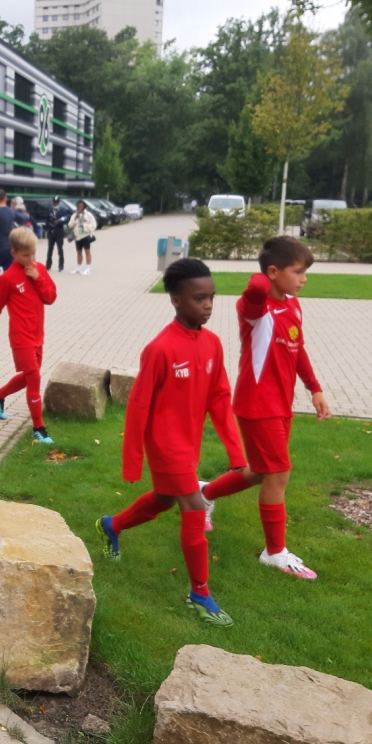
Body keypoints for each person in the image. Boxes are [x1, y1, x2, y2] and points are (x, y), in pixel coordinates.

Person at [95, 258, 245, 627]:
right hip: (165, 445)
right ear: (176, 299)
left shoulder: (212, 344)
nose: (208, 305)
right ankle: (200, 593)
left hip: (189, 443)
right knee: (193, 505)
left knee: (164, 499)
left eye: (211, 297)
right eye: (199, 298)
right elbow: (138, 405)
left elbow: (220, 397)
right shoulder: (160, 349)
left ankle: (112, 525)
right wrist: (133, 460)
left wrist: (235, 450)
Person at [199, 237, 331, 579]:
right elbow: (256, 289)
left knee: (260, 470)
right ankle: (274, 553)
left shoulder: (293, 304)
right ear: (274, 272)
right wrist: (265, 272)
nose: (304, 279)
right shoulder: (254, 310)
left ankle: (204, 494)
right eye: (298, 271)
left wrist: (314, 388)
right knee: (278, 473)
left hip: (281, 403)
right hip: (258, 403)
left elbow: (298, 349)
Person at [0, 225, 57, 445]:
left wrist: (38, 278)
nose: (31, 259)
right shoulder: (7, 279)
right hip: (21, 338)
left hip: (38, 335)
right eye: (25, 255)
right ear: (13, 253)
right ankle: (39, 428)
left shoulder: (39, 269)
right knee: (34, 377)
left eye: (33, 254)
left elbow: (51, 297)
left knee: (28, 377)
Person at [68, 200, 97, 275]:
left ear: (84, 206)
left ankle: (88, 268)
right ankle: (78, 268)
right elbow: (70, 225)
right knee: (79, 252)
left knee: (87, 251)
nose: (79, 207)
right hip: (77, 236)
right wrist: (75, 219)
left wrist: (84, 226)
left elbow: (94, 225)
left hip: (85, 235)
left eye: (81, 206)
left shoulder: (88, 215)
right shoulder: (75, 214)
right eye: (78, 206)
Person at [45, 196, 69, 272]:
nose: (55, 203)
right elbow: (47, 220)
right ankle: (48, 265)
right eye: (54, 202)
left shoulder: (63, 210)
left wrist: (59, 221)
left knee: (60, 249)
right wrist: (47, 229)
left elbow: (66, 219)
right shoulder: (50, 210)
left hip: (59, 232)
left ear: (58, 202)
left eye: (56, 202)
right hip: (51, 232)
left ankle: (61, 265)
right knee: (50, 249)